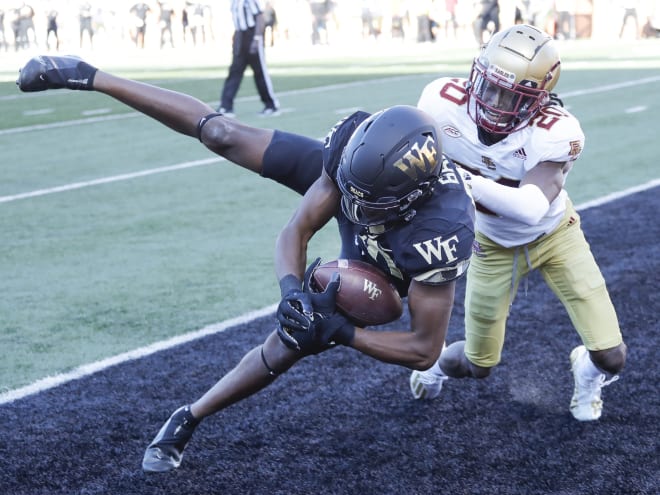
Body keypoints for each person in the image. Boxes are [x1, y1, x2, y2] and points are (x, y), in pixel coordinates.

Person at [16, 54, 476, 473]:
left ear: (410, 197)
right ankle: (91, 75)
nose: (352, 205)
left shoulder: (441, 229)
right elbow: (296, 230)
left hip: (388, 256)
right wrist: (291, 290)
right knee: (221, 133)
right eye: (349, 190)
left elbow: (423, 349)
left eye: (366, 200)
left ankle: (189, 415)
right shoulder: (353, 159)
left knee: (295, 339)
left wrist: (343, 333)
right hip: (368, 190)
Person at [410, 24, 627, 422]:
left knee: (611, 356)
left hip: (555, 235)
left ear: (539, 99)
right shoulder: (441, 103)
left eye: (511, 95)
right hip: (491, 246)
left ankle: (586, 371)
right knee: (479, 365)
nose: (493, 102)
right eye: (489, 86)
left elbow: (529, 207)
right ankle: (437, 365)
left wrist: (463, 181)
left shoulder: (556, 131)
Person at [218, 0, 279, 117]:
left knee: (260, 73)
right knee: (234, 72)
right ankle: (226, 106)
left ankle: (271, 105)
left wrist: (256, 38)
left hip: (252, 35)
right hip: (240, 35)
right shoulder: (233, 2)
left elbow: (260, 18)